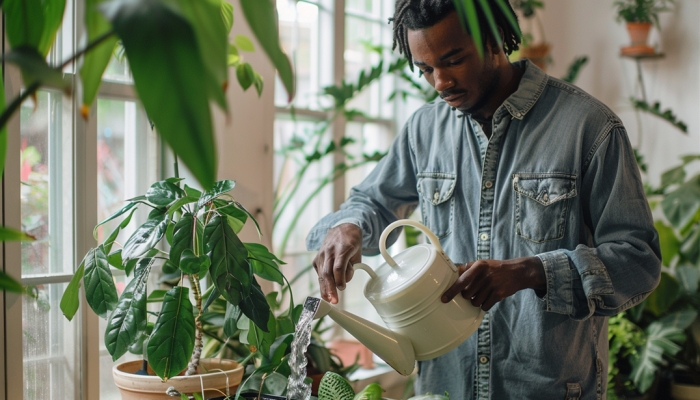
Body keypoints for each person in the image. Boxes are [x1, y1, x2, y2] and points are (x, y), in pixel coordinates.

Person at [305, 0, 661, 398]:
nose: (440, 82)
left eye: (453, 60)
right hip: (444, 389)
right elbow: (373, 202)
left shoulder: (589, 128)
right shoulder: (424, 130)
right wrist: (348, 227)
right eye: (425, 69)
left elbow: (638, 262)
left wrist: (533, 272)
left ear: (494, 40)